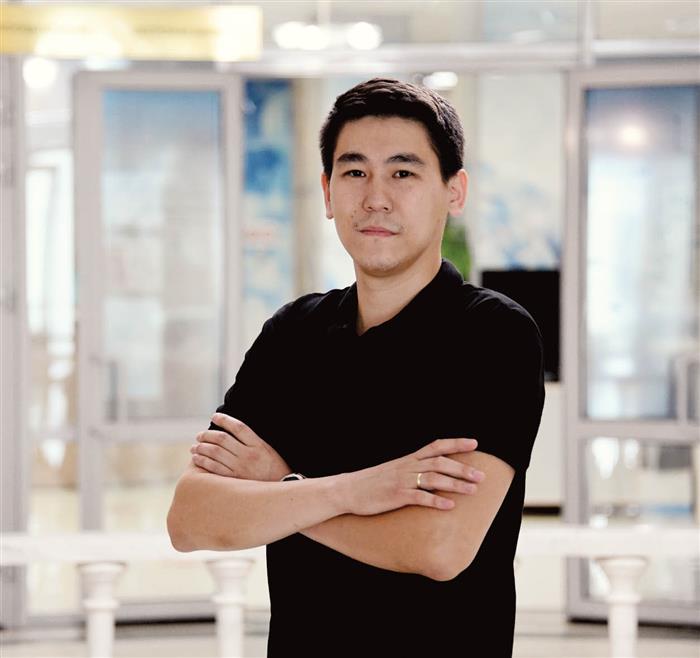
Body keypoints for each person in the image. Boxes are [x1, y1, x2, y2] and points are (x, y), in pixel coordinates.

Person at [167, 77, 545, 657]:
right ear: (327, 192)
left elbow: (440, 547)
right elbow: (191, 518)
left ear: (454, 191)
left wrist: (281, 490)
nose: (375, 198)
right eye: (354, 172)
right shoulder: (293, 334)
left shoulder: (493, 334)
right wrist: (359, 490)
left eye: (403, 172)